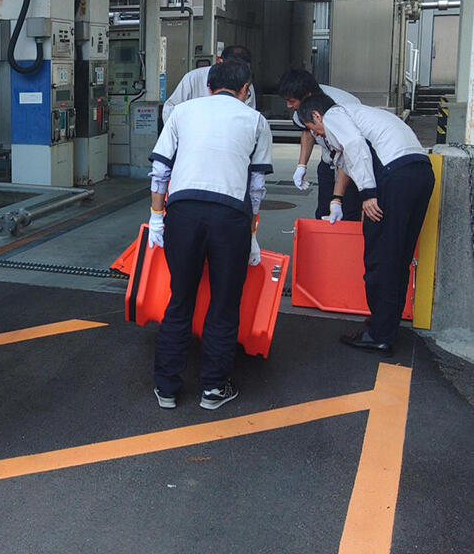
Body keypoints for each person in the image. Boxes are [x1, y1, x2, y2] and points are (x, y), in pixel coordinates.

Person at [146, 60, 272, 410]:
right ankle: (213, 389)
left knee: (180, 298)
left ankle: (167, 389)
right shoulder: (256, 121)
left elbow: (160, 171)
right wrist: (252, 232)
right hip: (230, 217)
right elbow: (257, 185)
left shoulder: (182, 112)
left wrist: (158, 217)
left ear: (208, 86)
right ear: (245, 89)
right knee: (223, 303)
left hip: (182, 212)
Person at [298, 94, 434, 354]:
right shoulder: (362, 115)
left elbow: (355, 147)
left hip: (393, 179)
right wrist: (337, 200)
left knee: (379, 256)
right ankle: (385, 323)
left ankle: (379, 335)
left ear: (316, 115)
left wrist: (368, 193)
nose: (317, 135)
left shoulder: (335, 114)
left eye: (313, 129)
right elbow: (349, 160)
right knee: (399, 255)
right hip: (420, 173)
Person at [277, 68, 362, 220]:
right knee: (324, 213)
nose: (289, 106)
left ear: (307, 96)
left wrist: (338, 197)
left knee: (348, 214)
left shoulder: (343, 105)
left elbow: (348, 151)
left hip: (351, 165)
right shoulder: (301, 111)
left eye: (291, 101)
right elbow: (307, 132)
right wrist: (301, 166)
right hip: (328, 163)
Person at [161, 45, 255, 124]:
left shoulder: (246, 83)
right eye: (231, 66)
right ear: (219, 62)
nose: (235, 72)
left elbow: (249, 117)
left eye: (240, 68)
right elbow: (169, 109)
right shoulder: (193, 78)